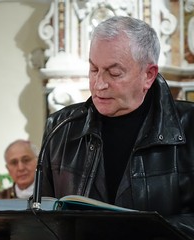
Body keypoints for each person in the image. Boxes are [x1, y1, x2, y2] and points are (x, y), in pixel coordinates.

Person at [40, 16, 194, 238]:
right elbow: (41, 217)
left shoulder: (190, 126)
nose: (99, 84)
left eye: (114, 73)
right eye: (94, 70)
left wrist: (139, 231)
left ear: (148, 75)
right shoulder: (60, 127)